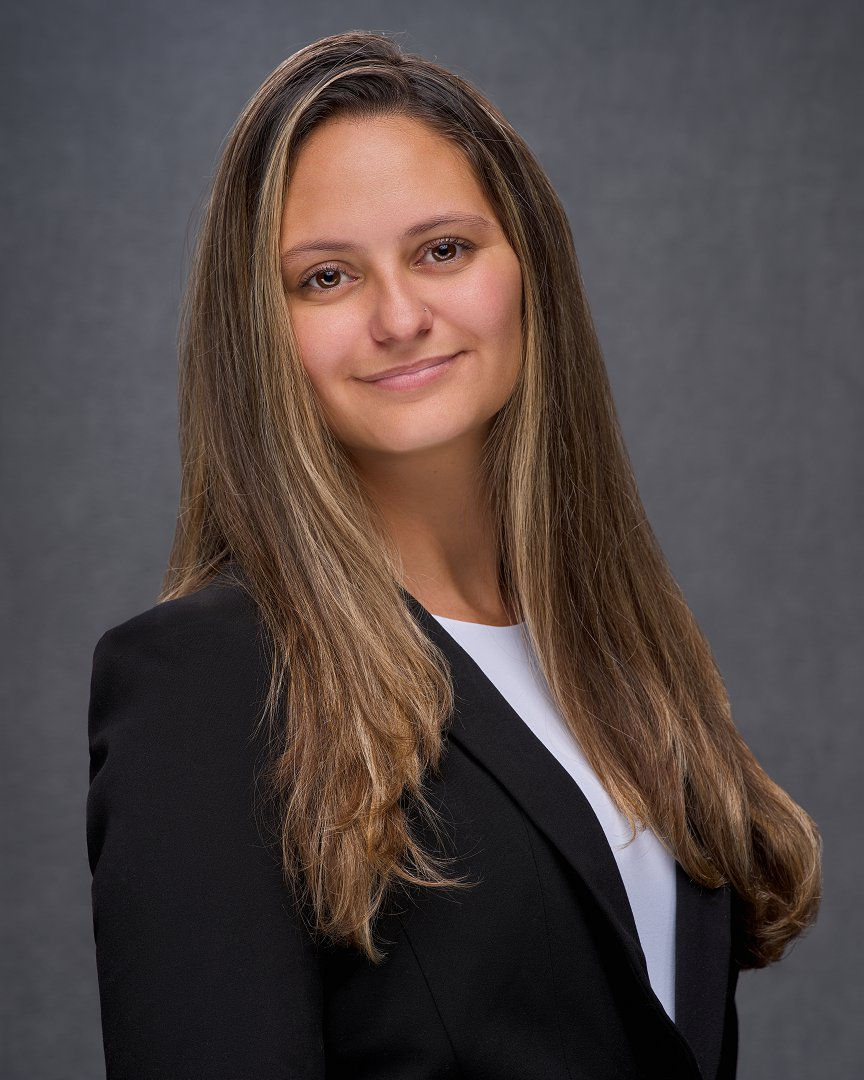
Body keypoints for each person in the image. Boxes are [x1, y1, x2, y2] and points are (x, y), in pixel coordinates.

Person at [85, 30, 822, 1080]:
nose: (399, 318)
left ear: (528, 268)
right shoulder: (206, 683)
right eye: (327, 277)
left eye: (442, 250)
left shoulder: (616, 660)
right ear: (262, 332)